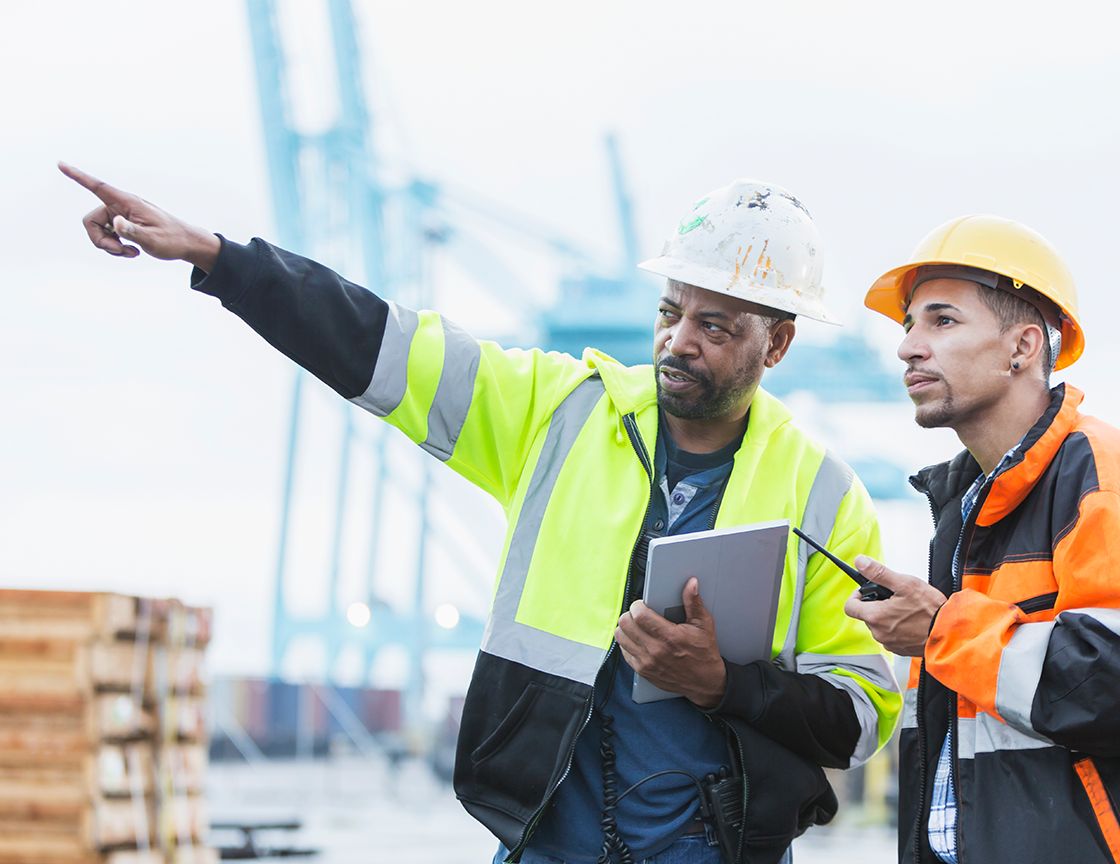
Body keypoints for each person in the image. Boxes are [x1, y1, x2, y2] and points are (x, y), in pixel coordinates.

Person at [61, 163, 900, 864]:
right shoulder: (556, 415)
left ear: (777, 344)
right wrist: (219, 260)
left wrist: (723, 684)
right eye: (670, 311)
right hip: (545, 838)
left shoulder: (825, 496)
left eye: (715, 326)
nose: (679, 340)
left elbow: (861, 717)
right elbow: (383, 345)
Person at [846, 214, 1120, 863]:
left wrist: (942, 632)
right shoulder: (961, 507)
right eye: (910, 323)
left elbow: (1111, 682)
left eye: (941, 321)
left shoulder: (1097, 476)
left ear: (1022, 347)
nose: (908, 346)